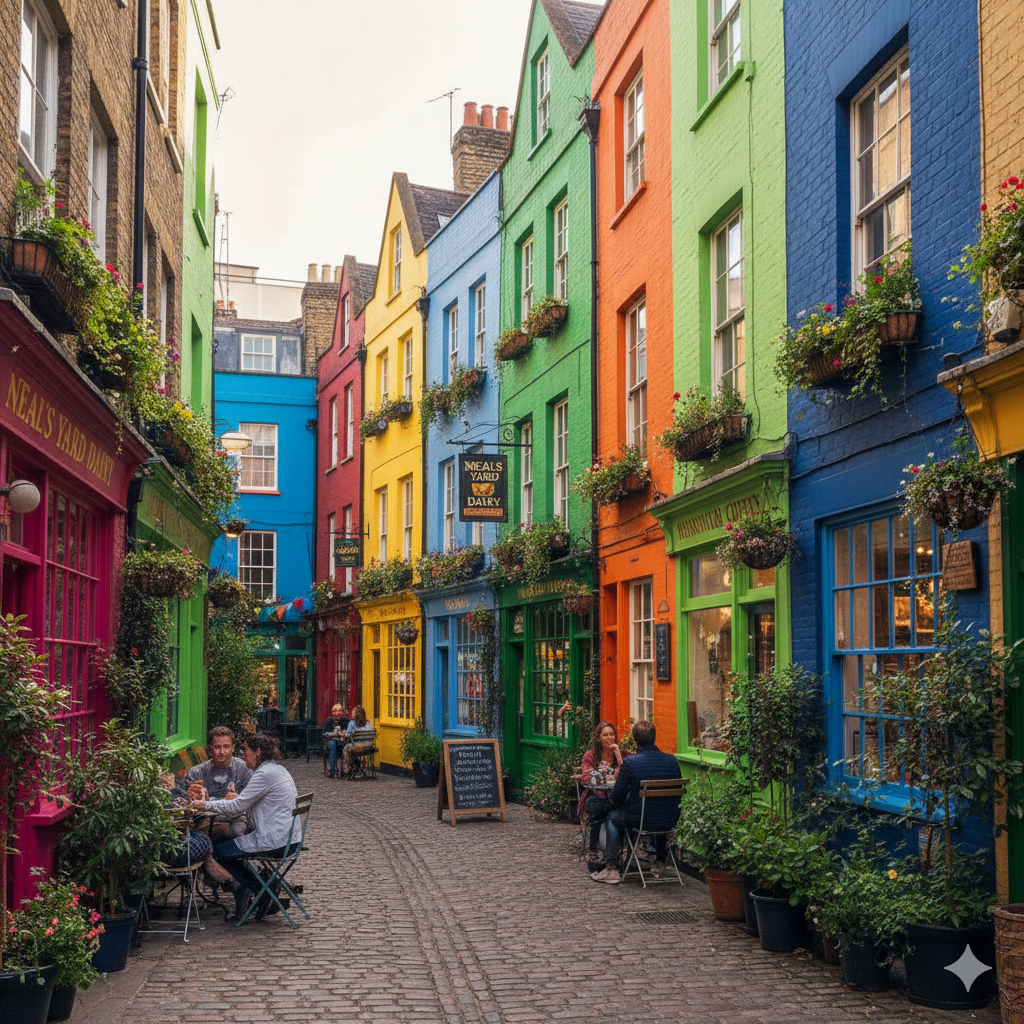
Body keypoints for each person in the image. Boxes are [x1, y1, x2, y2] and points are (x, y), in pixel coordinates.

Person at [192, 733, 299, 921]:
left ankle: (248, 889)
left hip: (275, 841)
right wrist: (236, 801)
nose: (242, 754)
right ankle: (264, 887)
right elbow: (241, 803)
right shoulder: (278, 770)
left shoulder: (264, 774)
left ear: (257, 752)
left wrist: (205, 805)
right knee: (231, 844)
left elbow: (237, 807)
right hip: (289, 838)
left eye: (245, 750)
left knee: (218, 851)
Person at [590, 719, 682, 885]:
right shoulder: (672, 761)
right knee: (657, 809)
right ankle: (661, 861)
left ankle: (612, 868)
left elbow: (617, 797)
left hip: (640, 820)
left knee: (613, 816)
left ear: (635, 741)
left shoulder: (631, 763)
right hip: (669, 819)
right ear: (654, 738)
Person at [183, 727, 253, 840]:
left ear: (233, 748)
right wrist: (201, 799)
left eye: (226, 747)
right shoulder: (196, 774)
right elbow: (185, 806)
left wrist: (239, 799)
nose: (221, 752)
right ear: (210, 748)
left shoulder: (244, 770)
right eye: (217, 747)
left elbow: (254, 802)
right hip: (206, 820)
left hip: (237, 819)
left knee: (237, 831)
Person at [578, 721, 623, 871]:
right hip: (596, 795)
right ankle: (593, 850)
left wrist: (618, 755)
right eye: (605, 735)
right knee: (595, 807)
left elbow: (625, 774)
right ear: (598, 738)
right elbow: (586, 777)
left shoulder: (621, 754)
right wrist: (607, 775)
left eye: (612, 734)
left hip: (616, 797)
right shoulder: (590, 755)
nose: (610, 737)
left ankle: (620, 850)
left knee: (623, 808)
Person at [341, 704, 373, 776]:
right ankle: (357, 766)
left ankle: (347, 769)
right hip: (368, 748)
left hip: (357, 748)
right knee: (349, 748)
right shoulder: (368, 723)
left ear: (355, 714)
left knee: (346, 748)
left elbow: (348, 734)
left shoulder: (352, 723)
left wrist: (343, 734)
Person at [322, 703, 350, 777]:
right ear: (332, 713)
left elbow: (348, 733)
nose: (337, 713)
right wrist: (333, 734)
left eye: (339, 711)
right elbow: (324, 733)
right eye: (334, 711)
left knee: (346, 746)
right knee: (332, 745)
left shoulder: (345, 721)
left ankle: (343, 770)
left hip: (342, 742)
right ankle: (334, 770)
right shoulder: (329, 721)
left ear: (342, 712)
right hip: (331, 742)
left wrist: (341, 734)